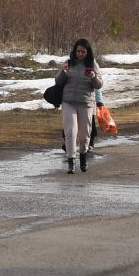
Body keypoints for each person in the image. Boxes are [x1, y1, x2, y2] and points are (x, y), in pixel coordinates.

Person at [58, 38, 103, 174]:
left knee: (84, 135)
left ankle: (83, 155)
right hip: (68, 102)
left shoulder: (92, 64)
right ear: (74, 51)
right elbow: (58, 81)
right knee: (70, 132)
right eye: (78, 51)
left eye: (83, 51)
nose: (80, 54)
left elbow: (99, 85)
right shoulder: (69, 63)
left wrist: (93, 77)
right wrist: (63, 73)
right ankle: (71, 161)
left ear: (87, 52)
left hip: (86, 103)